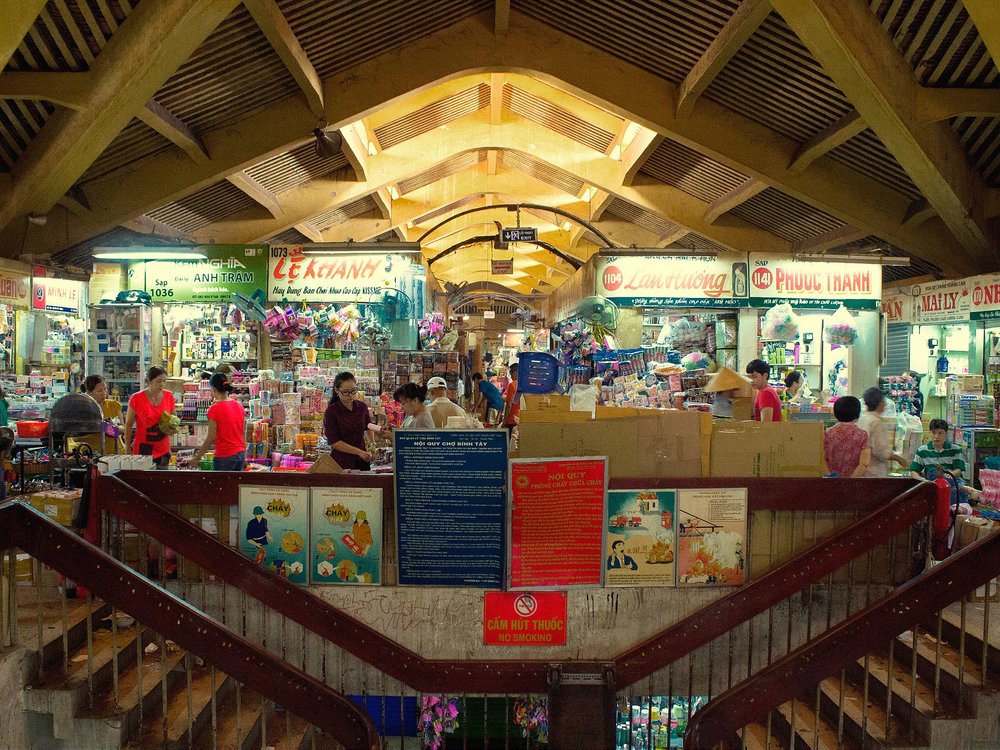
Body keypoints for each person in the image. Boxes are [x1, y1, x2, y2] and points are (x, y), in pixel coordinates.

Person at [191, 373, 247, 471]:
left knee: (223, 486)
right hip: (240, 454)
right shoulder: (239, 406)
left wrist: (197, 457)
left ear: (213, 389)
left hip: (225, 456)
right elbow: (242, 432)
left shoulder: (214, 409)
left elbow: (211, 437)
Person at [124, 366, 175, 469]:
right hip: (143, 448)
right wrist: (127, 448)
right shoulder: (137, 398)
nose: (162, 384)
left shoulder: (169, 396)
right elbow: (128, 425)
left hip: (163, 449)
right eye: (158, 381)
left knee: (161, 480)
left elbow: (174, 419)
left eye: (164, 381)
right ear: (149, 381)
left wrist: (171, 425)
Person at [323, 371, 374, 470]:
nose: (350, 395)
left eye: (354, 390)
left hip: (362, 460)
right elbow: (334, 441)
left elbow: (368, 426)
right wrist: (358, 452)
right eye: (346, 392)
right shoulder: (331, 411)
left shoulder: (361, 407)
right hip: (342, 462)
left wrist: (373, 443)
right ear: (337, 391)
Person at [858, 387, 907, 477]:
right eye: (883, 401)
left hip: (863, 471)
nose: (885, 404)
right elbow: (879, 451)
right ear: (879, 403)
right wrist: (898, 458)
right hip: (874, 473)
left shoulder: (862, 419)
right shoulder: (877, 422)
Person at [71, 375, 125, 454]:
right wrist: (97, 427)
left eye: (105, 389)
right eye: (99, 391)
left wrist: (112, 428)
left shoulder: (113, 405)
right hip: (91, 454)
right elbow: (75, 437)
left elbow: (123, 428)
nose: (103, 393)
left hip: (116, 452)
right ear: (89, 392)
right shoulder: (81, 409)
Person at [823, 396, 871, 477]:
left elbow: (821, 459)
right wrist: (849, 481)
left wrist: (830, 476)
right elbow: (864, 463)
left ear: (835, 413)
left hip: (831, 484)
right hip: (853, 484)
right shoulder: (862, 435)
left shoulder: (827, 434)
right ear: (857, 413)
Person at [502, 361, 521, 433]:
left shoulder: (512, 385)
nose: (511, 377)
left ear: (515, 373)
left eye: (511, 375)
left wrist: (504, 421)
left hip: (512, 420)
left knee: (511, 443)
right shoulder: (529, 385)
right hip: (524, 420)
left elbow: (509, 405)